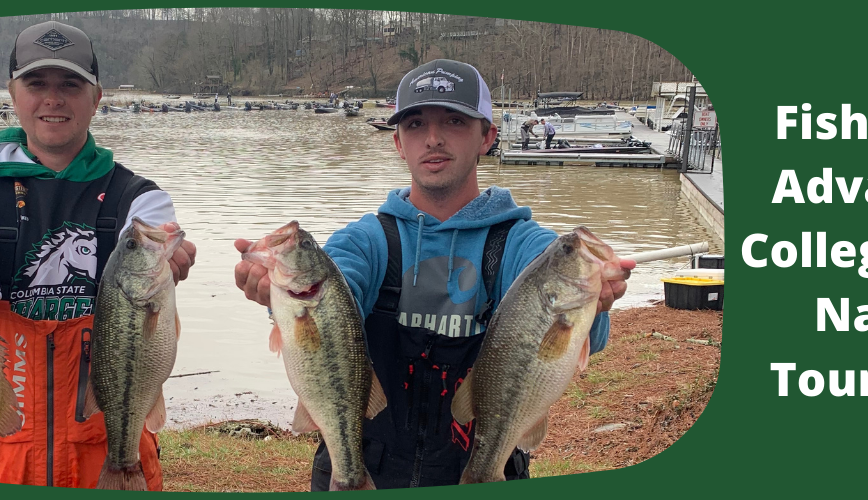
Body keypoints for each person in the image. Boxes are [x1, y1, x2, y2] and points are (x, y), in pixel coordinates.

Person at [233, 59, 633, 490]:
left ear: (488, 137)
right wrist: (281, 297)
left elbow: (585, 333)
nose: (434, 138)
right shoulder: (366, 240)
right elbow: (335, 294)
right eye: (416, 123)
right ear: (399, 144)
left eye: (455, 121)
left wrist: (596, 300)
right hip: (363, 470)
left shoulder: (524, 245)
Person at [0, 20, 197, 490]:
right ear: (12, 93)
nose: (53, 98)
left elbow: (148, 270)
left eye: (70, 84)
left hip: (108, 443)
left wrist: (170, 261)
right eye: (36, 83)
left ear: (96, 97)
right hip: (2, 450)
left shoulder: (139, 199)